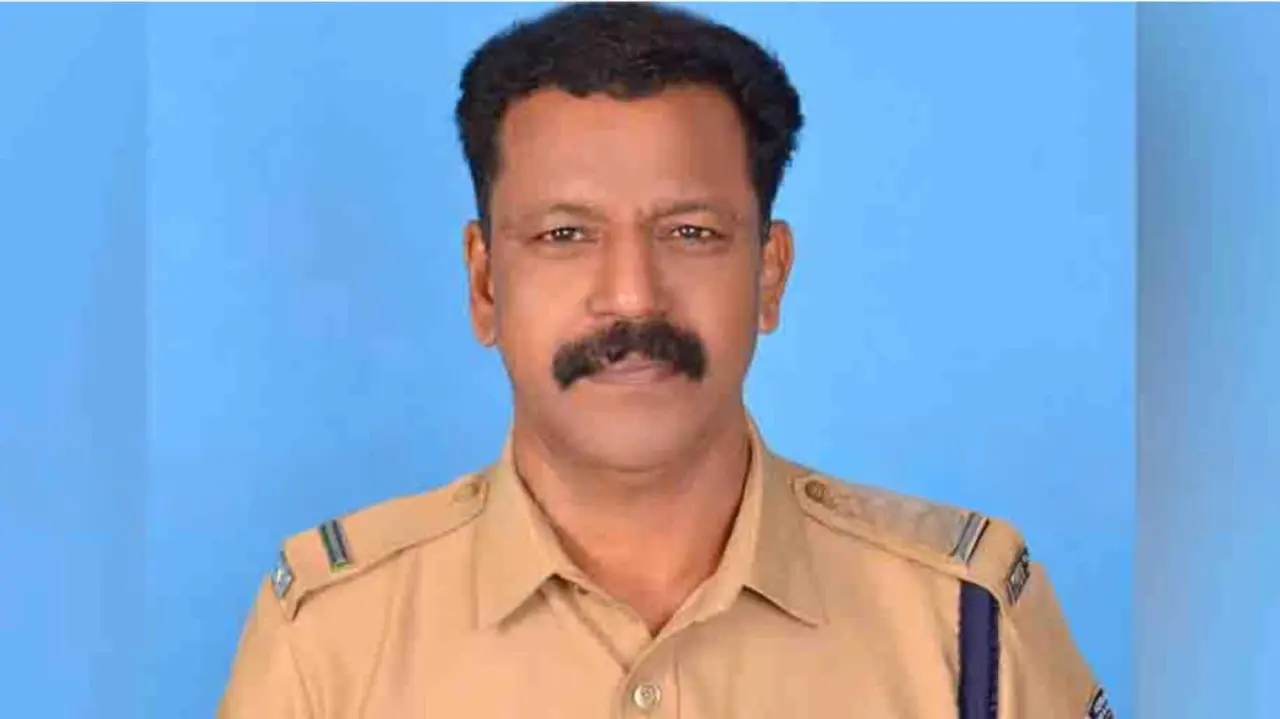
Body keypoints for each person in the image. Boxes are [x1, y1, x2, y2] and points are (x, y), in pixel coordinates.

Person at [217, 3, 1113, 718]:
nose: (632, 297)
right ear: (485, 284)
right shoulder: (329, 639)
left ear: (770, 274)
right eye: (565, 235)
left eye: (690, 233)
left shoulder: (966, 628)